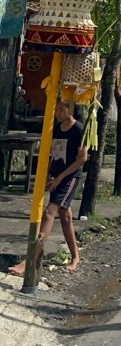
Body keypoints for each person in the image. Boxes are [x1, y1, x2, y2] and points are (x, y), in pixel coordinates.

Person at [8, 98, 88, 275]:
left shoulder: (79, 129)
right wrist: (48, 176)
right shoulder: (56, 129)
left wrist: (60, 178)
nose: (58, 113)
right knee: (65, 217)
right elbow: (53, 154)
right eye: (56, 110)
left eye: (61, 110)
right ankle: (75, 257)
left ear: (70, 109)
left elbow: (82, 158)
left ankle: (31, 259)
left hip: (69, 178)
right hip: (56, 176)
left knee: (48, 213)